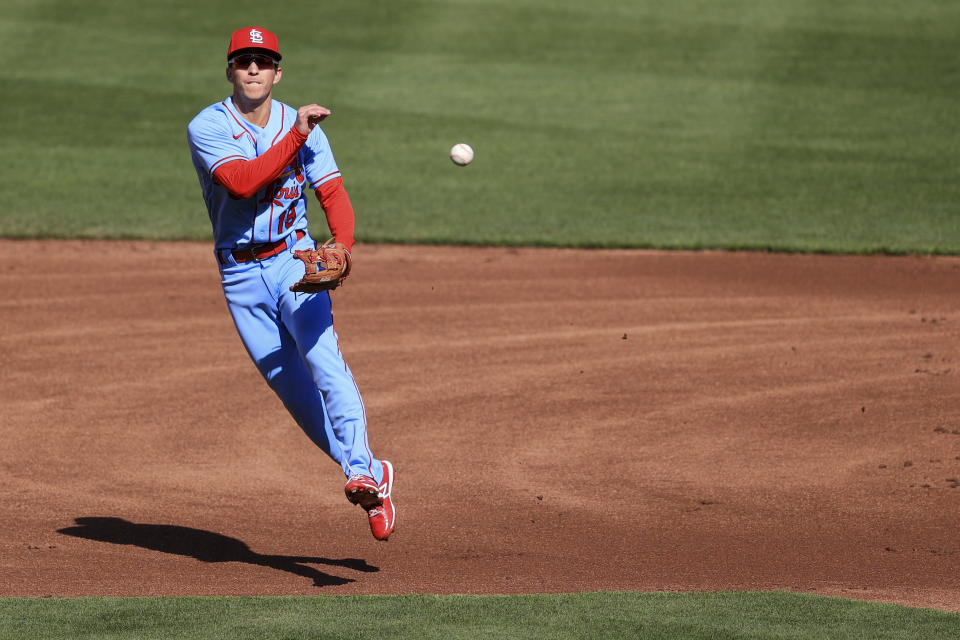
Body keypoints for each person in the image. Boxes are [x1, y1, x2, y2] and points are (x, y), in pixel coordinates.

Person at [187, 26, 395, 541]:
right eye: (243, 61)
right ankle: (373, 472)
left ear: (278, 72)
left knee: (325, 364)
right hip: (239, 275)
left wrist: (342, 246)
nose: (253, 69)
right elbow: (241, 183)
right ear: (230, 70)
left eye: (263, 61)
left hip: (293, 263)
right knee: (295, 393)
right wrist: (298, 134)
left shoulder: (303, 127)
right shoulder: (208, 125)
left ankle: (359, 474)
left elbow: (333, 193)